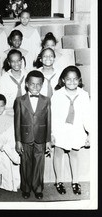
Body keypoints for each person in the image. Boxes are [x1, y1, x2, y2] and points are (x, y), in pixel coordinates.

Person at [51, 66, 90, 195]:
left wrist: (89, 133)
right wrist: (52, 133)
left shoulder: (84, 95)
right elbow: (53, 115)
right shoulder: (57, 95)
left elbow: (87, 115)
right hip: (60, 129)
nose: (72, 82)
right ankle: (59, 181)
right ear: (63, 80)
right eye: (68, 79)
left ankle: (75, 181)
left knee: (74, 154)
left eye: (75, 79)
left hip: (76, 129)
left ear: (79, 80)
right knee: (58, 153)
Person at [14, 70, 52, 200]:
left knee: (39, 165)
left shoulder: (46, 100)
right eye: (32, 84)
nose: (35, 87)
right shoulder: (19, 100)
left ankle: (38, 188)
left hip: (41, 138)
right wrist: (18, 140)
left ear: (42, 85)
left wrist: (48, 140)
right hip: (25, 138)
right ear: (26, 84)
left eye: (38, 84)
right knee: (25, 164)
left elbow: (48, 121)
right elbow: (17, 121)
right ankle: (26, 188)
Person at [0, 94, 20, 192]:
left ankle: (8, 185)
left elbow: (12, 133)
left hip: (7, 146)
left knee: (7, 167)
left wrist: (6, 145)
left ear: (5, 106)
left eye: (1, 106)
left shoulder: (11, 117)